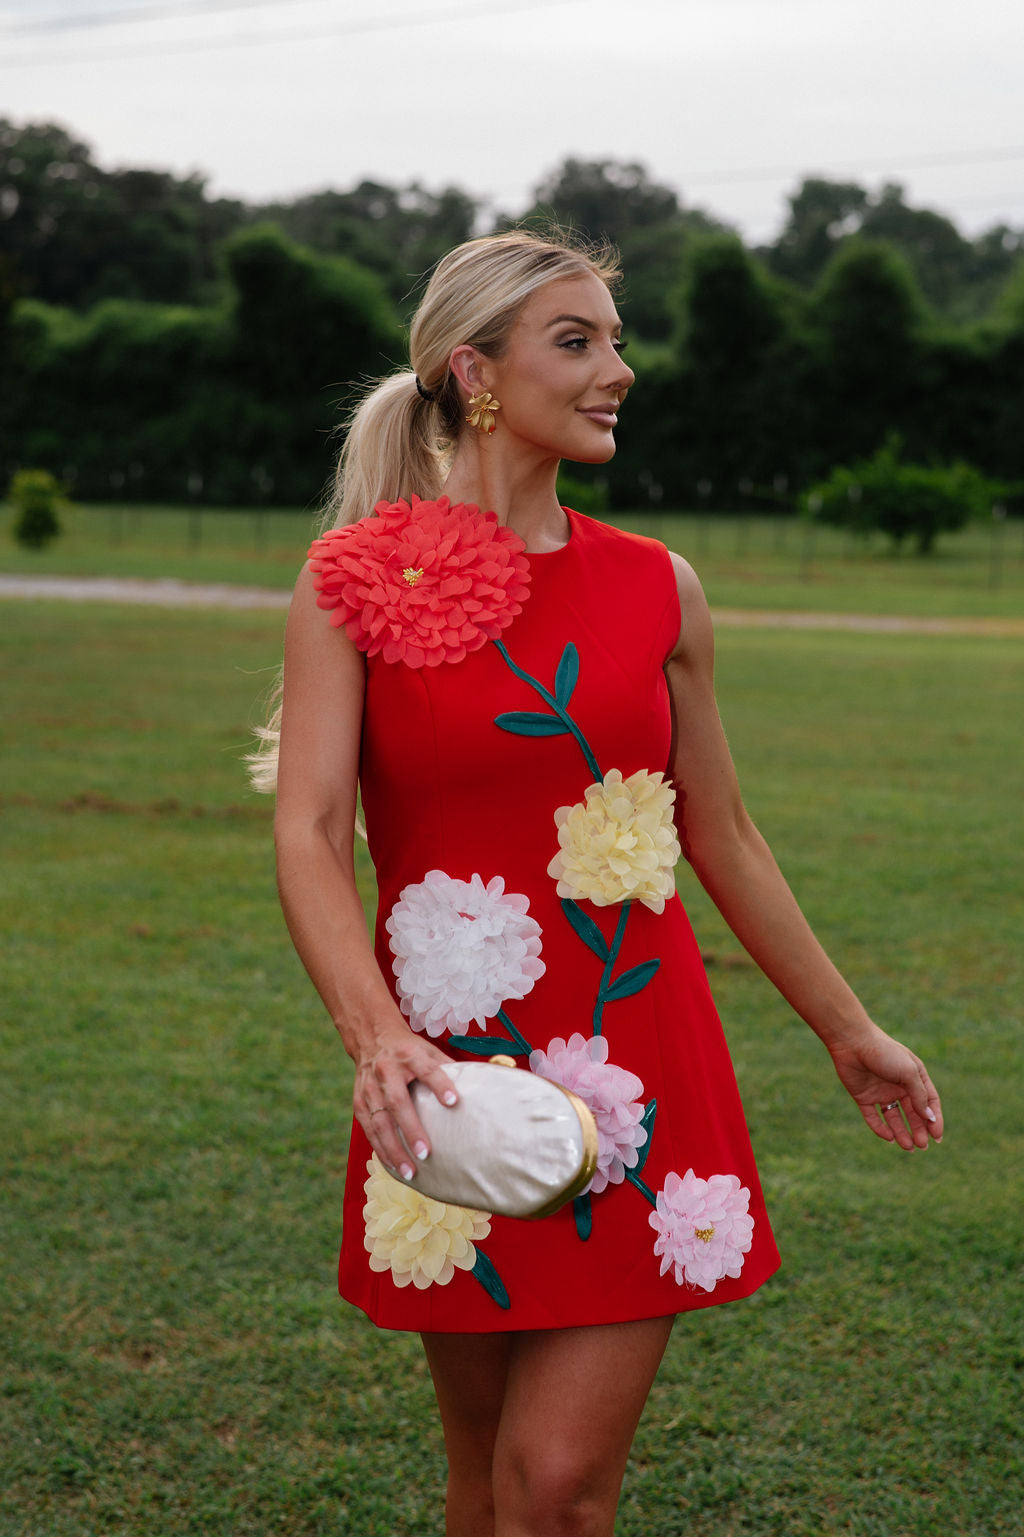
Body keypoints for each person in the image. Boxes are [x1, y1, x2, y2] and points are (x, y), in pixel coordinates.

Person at [252, 230, 943, 1537]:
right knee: (484, 1476)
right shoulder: (351, 583)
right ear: (478, 371)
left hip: (641, 1072)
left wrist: (850, 1029)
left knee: (557, 1483)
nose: (618, 368)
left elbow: (724, 831)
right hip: (446, 1080)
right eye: (577, 341)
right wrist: (376, 1034)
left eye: (615, 338)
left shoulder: (657, 587)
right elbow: (311, 826)